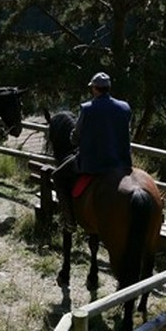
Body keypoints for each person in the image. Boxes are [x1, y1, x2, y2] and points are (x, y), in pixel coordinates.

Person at [51, 72, 133, 231]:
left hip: (93, 163)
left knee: (57, 176)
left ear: (95, 89)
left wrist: (74, 138)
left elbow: (75, 137)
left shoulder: (87, 109)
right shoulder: (124, 107)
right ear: (108, 88)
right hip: (121, 162)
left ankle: (69, 221)